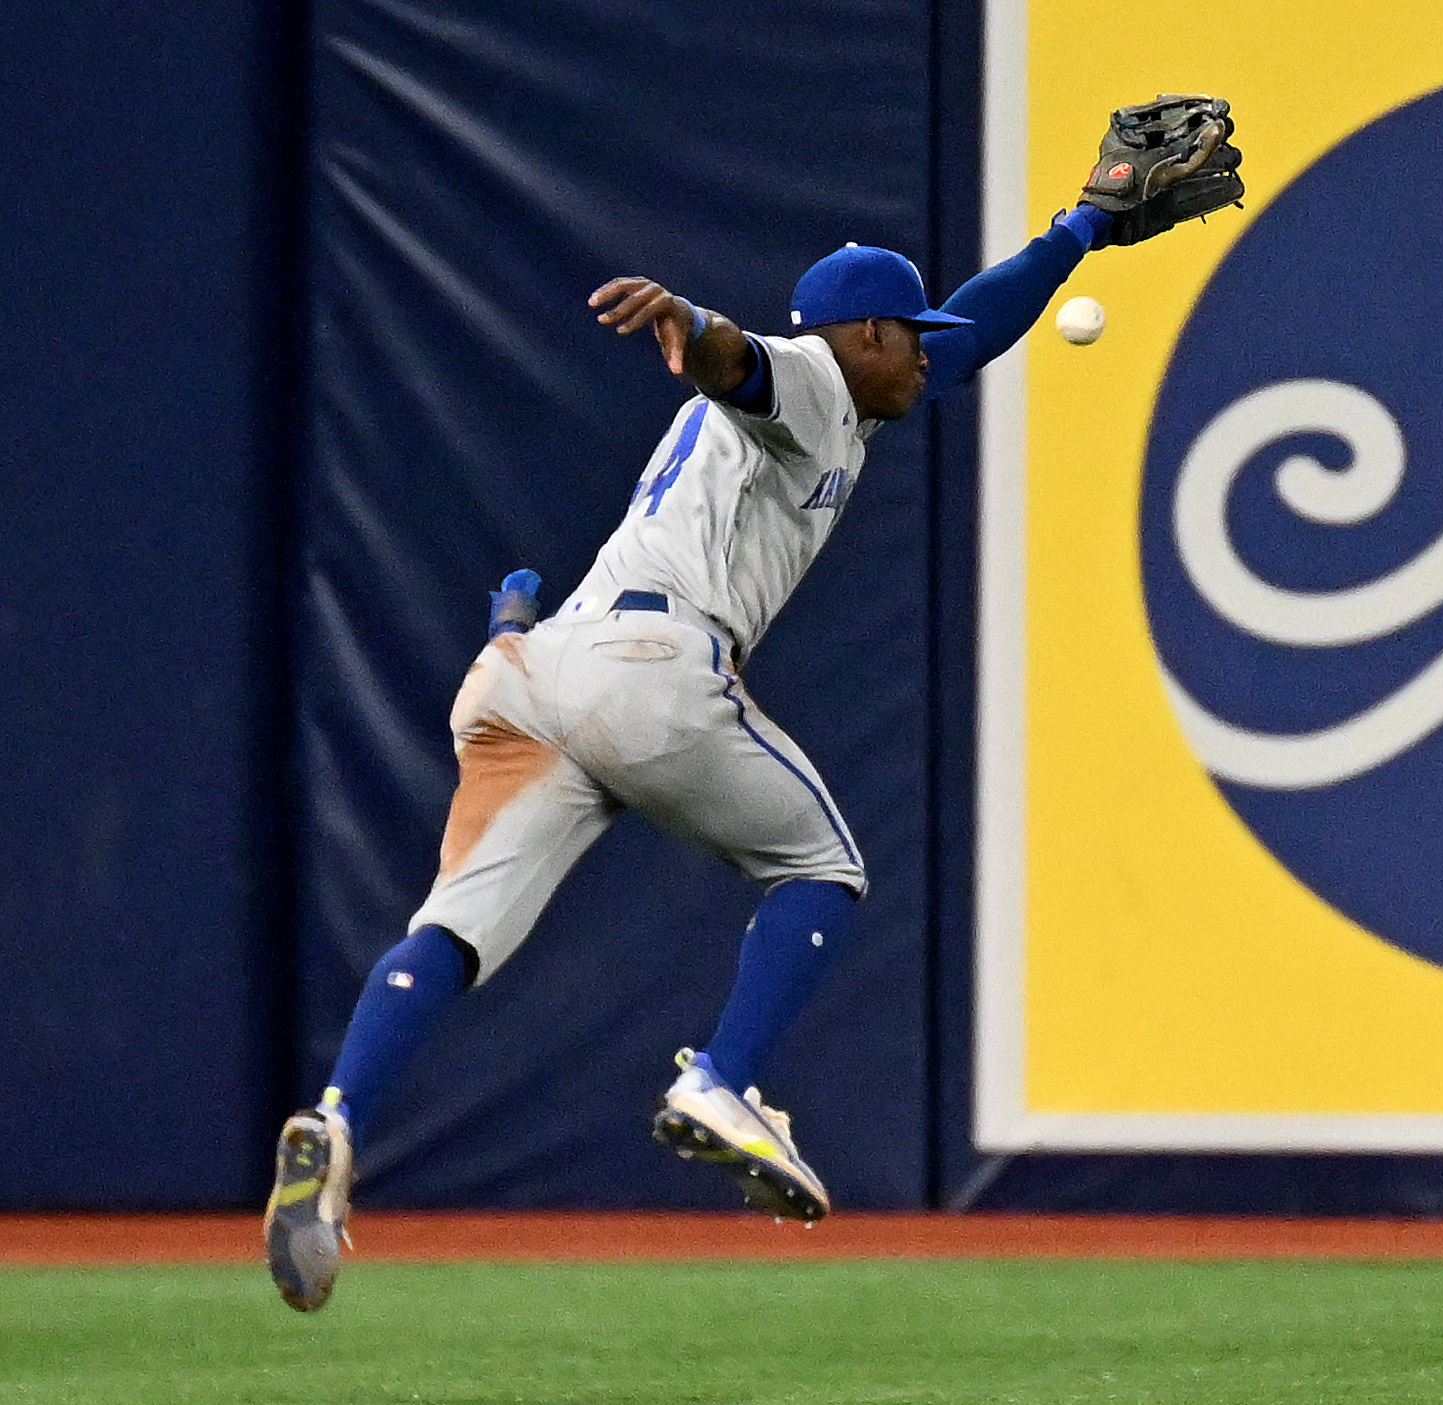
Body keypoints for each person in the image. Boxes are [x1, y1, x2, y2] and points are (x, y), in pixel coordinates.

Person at [263, 201, 1117, 1312]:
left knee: (451, 928)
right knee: (822, 868)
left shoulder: (859, 385)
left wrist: (1082, 227)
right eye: (906, 330)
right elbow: (741, 363)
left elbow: (971, 332)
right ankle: (722, 1079)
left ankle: (334, 1127)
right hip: (650, 661)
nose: (927, 345)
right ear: (861, 338)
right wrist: (691, 318)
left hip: (529, 668)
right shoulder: (814, 377)